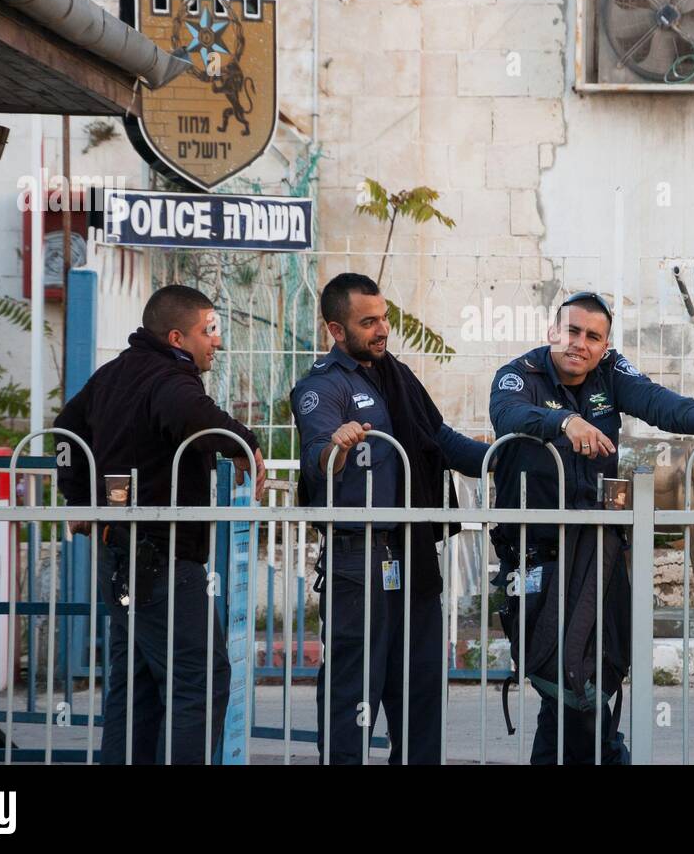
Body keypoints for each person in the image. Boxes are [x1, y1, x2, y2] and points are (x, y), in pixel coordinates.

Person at [489, 290, 694, 764]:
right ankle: (611, 755)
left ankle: (603, 753)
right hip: (537, 554)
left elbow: (653, 399)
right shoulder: (516, 375)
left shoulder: (612, 371)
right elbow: (507, 417)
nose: (579, 343)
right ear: (552, 332)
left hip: (598, 553)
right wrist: (564, 422)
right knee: (562, 677)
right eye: (571, 331)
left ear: (604, 346)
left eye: (592, 336)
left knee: (589, 678)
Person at [54, 284, 265, 764]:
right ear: (177, 337)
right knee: (201, 680)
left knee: (137, 686)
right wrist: (245, 443)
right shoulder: (170, 378)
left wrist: (82, 499)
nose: (217, 342)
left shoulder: (112, 375)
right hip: (162, 562)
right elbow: (195, 416)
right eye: (208, 331)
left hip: (121, 556)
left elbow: (65, 428)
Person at [293, 273, 488, 765]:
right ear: (337, 331)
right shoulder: (322, 387)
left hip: (413, 554)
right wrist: (335, 447)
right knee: (353, 691)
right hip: (359, 562)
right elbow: (318, 449)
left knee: (421, 686)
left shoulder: (395, 375)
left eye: (384, 318)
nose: (382, 330)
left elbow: (438, 438)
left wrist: (500, 458)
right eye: (369, 322)